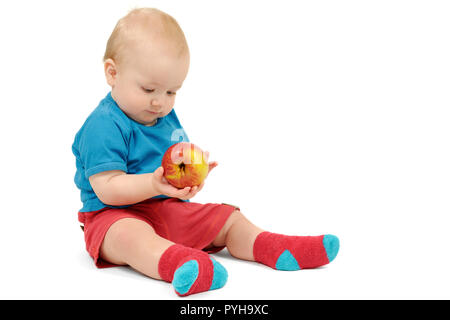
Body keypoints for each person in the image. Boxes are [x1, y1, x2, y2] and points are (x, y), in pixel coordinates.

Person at [72, 7, 339, 297]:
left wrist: (187, 182)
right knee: (130, 237)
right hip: (112, 216)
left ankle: (275, 246)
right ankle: (179, 263)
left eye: (172, 92)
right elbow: (107, 190)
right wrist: (152, 183)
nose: (160, 102)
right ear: (112, 73)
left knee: (226, 217)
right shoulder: (103, 126)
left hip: (164, 208)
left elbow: (174, 168)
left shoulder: (163, 116)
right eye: (149, 89)